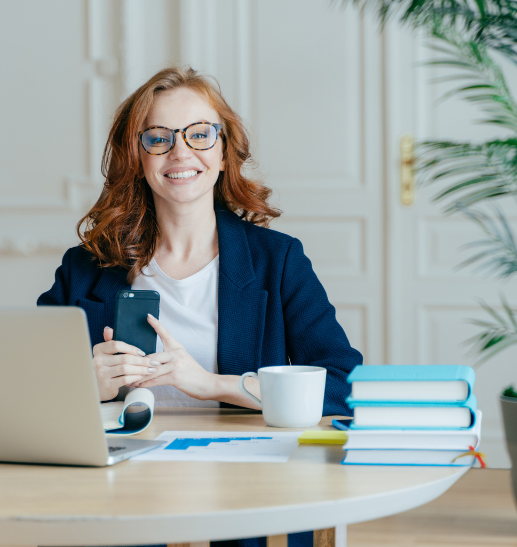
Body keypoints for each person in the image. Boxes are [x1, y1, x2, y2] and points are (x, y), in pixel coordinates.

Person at [37, 66, 363, 547]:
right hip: (114, 499)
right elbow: (21, 387)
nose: (181, 152)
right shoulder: (85, 268)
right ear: (137, 156)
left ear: (224, 150)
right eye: (158, 138)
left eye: (199, 134)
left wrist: (212, 385)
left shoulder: (278, 260)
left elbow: (342, 385)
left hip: (246, 495)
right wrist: (82, 384)